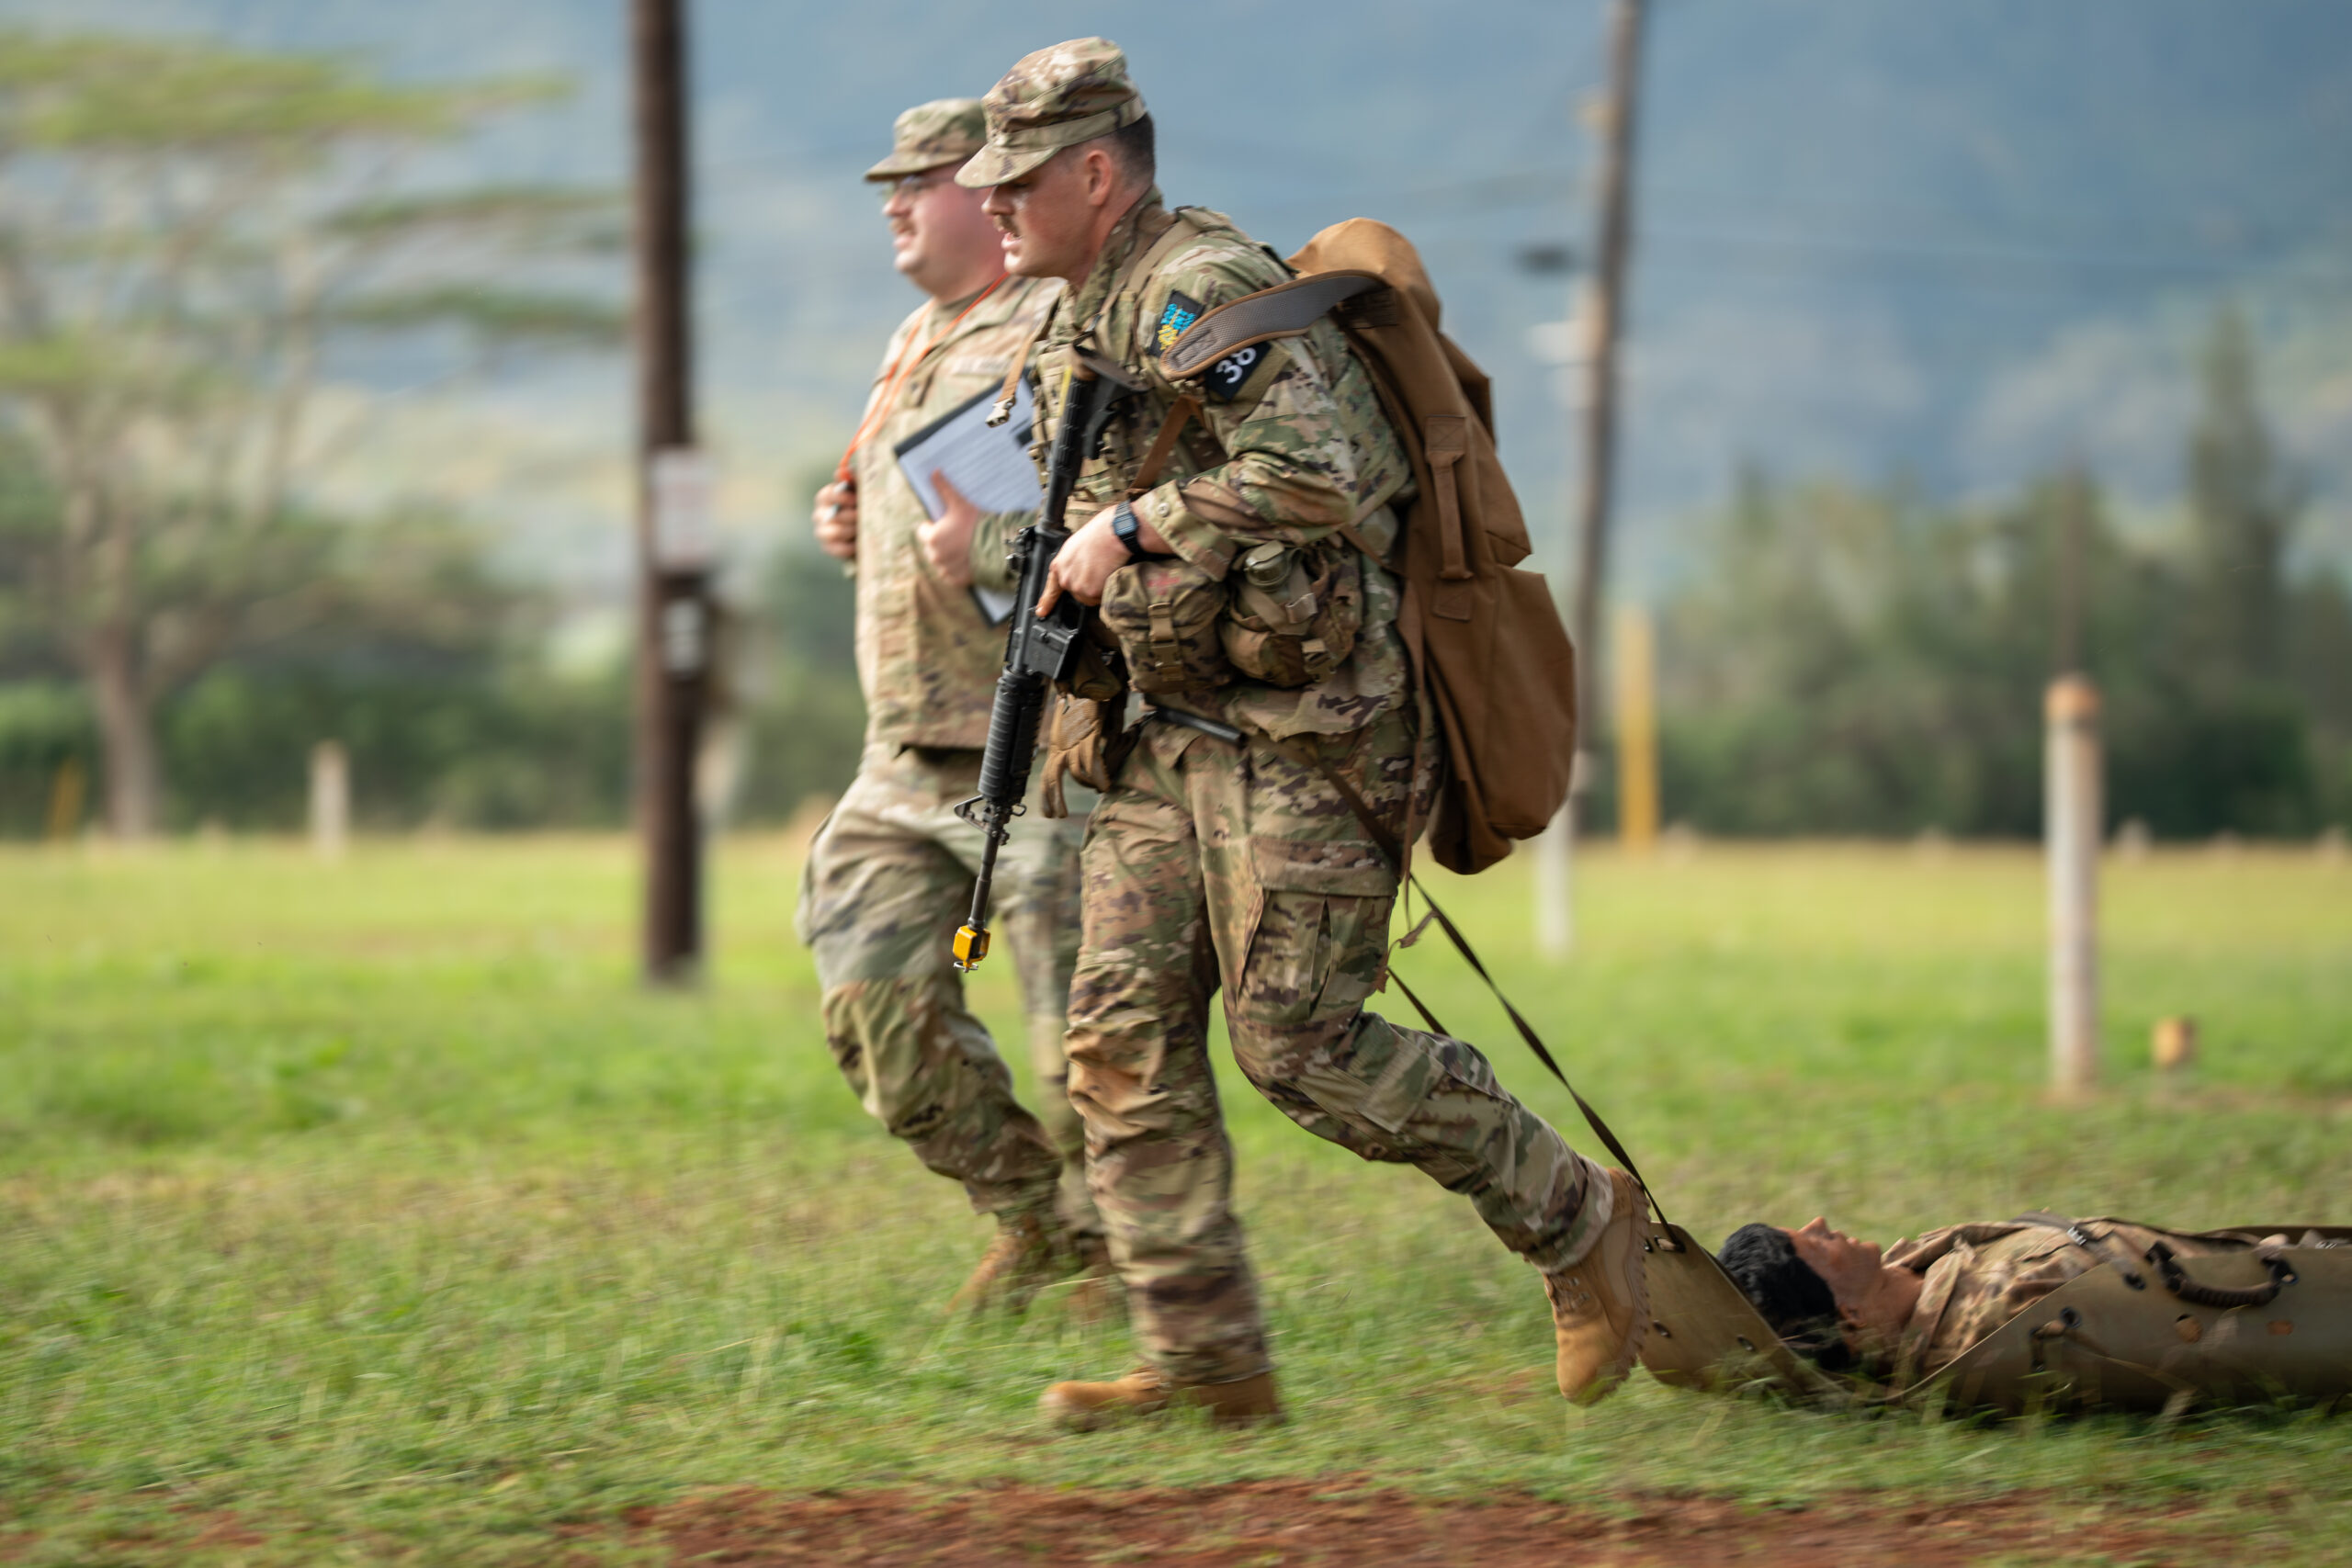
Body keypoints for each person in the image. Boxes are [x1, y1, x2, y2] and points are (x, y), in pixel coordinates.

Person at [952, 38, 1650, 1430]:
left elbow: (1322, 473)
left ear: (1096, 174)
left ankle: (1578, 1219)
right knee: (1118, 1042)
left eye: (1018, 179)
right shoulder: (1075, 321)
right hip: (1170, 730)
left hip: (1312, 729)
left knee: (1301, 1044)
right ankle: (1205, 1363)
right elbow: (1079, 520)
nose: (994, 204)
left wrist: (1136, 525)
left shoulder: (1202, 291)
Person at [798, 98, 1102, 1313]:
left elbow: (1098, 523)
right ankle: (1034, 1220)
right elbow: (928, 506)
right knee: (874, 1008)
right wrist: (851, 523)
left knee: (1083, 1053)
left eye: (916, 181)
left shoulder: (1059, 326)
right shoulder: (913, 336)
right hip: (902, 756)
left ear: (987, 191)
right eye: (889, 185)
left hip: (1033, 751)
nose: (894, 204)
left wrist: (983, 542)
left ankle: (1135, 1266)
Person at [1718, 1214, 2330, 1387]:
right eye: (1813, 1247)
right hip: (2300, 1288)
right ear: (1848, 1315)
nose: (1821, 1223)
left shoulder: (1912, 1273)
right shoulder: (2006, 1309)